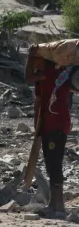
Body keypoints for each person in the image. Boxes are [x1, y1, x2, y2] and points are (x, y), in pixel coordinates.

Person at [26, 47, 74, 215]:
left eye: (35, 60)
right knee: (51, 162)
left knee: (54, 163)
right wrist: (36, 126)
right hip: (51, 123)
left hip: (56, 123)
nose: (33, 64)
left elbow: (27, 77)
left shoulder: (48, 73)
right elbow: (39, 101)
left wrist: (30, 57)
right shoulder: (50, 74)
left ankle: (58, 205)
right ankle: (54, 204)